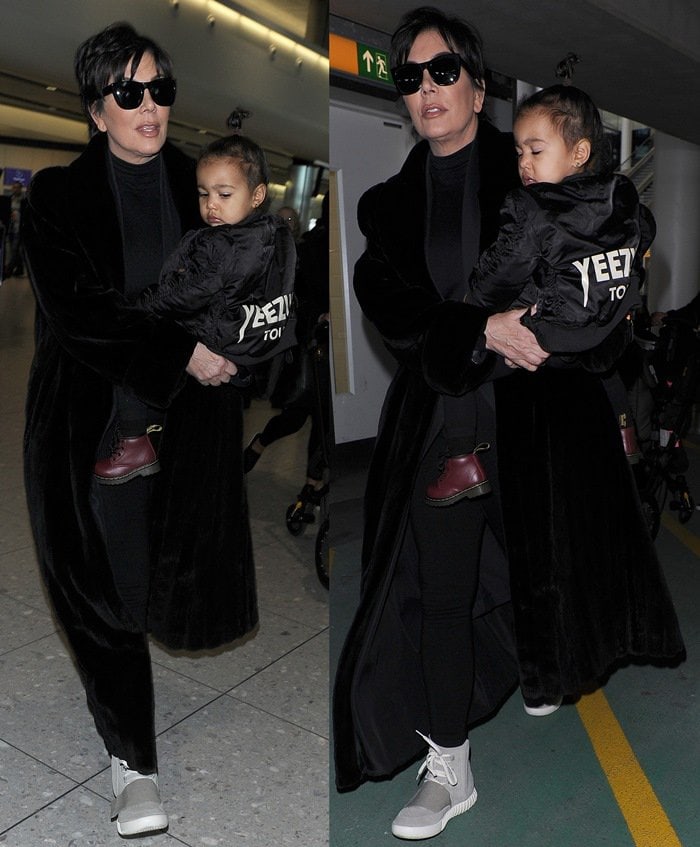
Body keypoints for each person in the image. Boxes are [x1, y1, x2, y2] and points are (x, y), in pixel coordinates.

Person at [332, 6, 684, 841]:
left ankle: (545, 662)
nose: (426, 89)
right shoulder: (384, 207)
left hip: (540, 422)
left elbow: (613, 241)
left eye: (442, 70)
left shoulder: (535, 166)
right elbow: (397, 309)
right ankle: (447, 764)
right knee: (440, 589)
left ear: (478, 85)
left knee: (545, 569)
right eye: (409, 77)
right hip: (444, 427)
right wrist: (480, 329)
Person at [22, 22, 257, 837]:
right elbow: (82, 317)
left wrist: (247, 341)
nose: (150, 105)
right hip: (97, 434)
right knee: (107, 596)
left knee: (172, 577)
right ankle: (134, 762)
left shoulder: (202, 183)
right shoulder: (56, 198)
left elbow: (240, 287)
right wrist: (182, 353)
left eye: (161, 89)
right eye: (130, 92)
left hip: (190, 428)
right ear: (97, 111)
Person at [426, 84, 650, 505]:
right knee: (607, 358)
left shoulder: (532, 206)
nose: (524, 164)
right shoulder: (620, 198)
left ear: (579, 153)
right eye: (518, 152)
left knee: (453, 353)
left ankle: (460, 460)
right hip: (600, 333)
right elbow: (645, 232)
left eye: (535, 150)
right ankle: (624, 429)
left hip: (546, 331)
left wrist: (471, 311)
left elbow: (502, 272)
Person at [93, 131, 297, 484]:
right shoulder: (274, 234)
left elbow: (189, 293)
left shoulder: (225, 245)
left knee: (134, 356)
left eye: (224, 194)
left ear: (257, 195)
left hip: (217, 336)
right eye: (203, 194)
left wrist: (138, 306)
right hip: (252, 343)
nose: (211, 205)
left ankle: (134, 440)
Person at [244, 193, 331, 505]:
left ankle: (263, 448)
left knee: (303, 414)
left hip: (315, 342)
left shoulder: (309, 247)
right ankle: (311, 481)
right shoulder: (310, 248)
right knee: (313, 415)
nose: (286, 225)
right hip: (311, 341)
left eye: (290, 221)